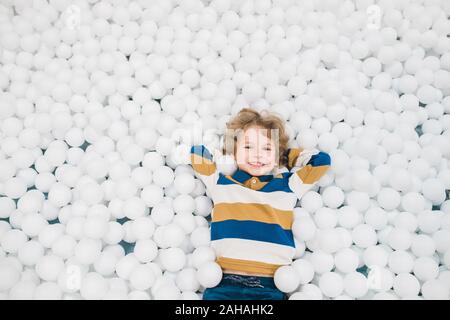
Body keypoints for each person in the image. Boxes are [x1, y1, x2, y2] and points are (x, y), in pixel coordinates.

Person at [189, 107, 331, 300]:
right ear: (234, 151)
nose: (257, 155)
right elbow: (197, 153)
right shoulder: (221, 182)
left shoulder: (288, 185)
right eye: (248, 147)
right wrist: (225, 153)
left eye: (266, 148)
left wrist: (284, 155)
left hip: (270, 284)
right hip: (223, 282)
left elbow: (321, 161)